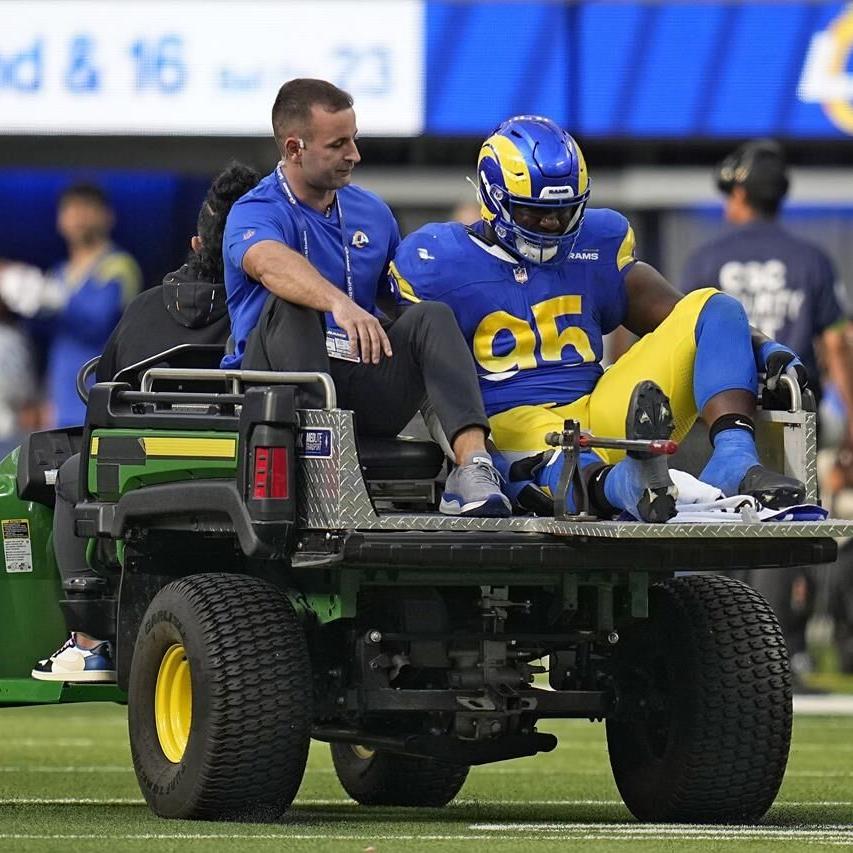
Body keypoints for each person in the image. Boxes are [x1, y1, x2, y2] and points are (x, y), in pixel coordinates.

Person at [389, 116, 807, 522]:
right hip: (509, 418)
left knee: (717, 307)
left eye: (564, 211)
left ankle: (733, 458)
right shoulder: (436, 258)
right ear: (494, 199)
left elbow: (680, 314)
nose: (551, 224)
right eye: (535, 213)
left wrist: (759, 346)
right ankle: (627, 484)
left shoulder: (596, 241)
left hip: (602, 407)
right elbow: (416, 355)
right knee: (539, 439)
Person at [223, 78, 510, 518]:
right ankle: (319, 464)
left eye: (354, 139)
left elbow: (403, 299)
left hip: (358, 384)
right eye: (338, 144)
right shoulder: (255, 210)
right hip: (273, 392)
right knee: (293, 301)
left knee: (431, 317)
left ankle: (473, 470)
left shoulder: (373, 212)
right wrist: (338, 302)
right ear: (294, 148)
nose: (354, 154)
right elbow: (268, 263)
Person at [31, 162, 261, 683]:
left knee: (74, 475)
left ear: (196, 244)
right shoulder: (277, 313)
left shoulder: (137, 304)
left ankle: (89, 641)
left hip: (141, 477)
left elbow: (104, 406)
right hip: (249, 480)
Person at [682, 139, 853, 684]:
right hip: (794, 418)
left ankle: (715, 654)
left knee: (716, 526)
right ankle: (779, 657)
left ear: (738, 193)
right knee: (785, 529)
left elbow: (684, 342)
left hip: (721, 414)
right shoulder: (813, 259)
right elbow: (836, 350)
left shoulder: (707, 259)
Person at [0, 184, 142, 428]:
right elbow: (44, 336)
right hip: (59, 404)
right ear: (60, 219)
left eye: (87, 207)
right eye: (71, 209)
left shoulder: (119, 266)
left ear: (107, 216)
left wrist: (45, 295)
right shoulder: (59, 273)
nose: (78, 216)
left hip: (100, 398)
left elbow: (98, 320)